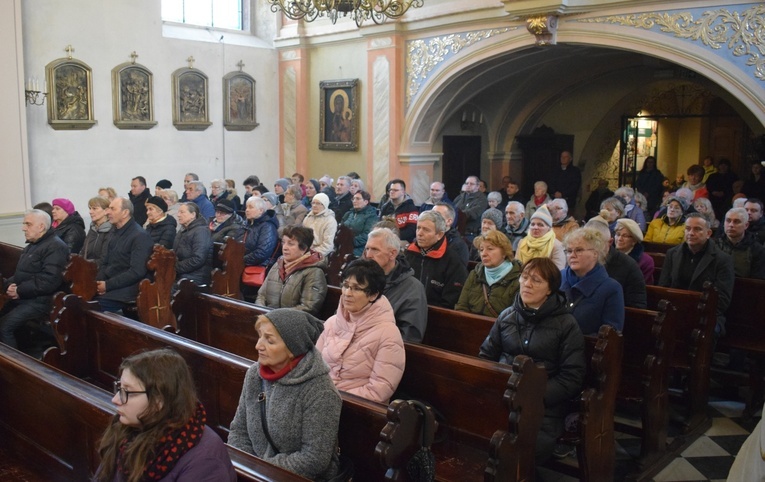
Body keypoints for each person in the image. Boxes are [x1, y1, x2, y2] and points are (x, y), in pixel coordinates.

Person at [479, 257, 585, 464]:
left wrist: (533, 397)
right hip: (501, 398)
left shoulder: (566, 324)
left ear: (549, 289)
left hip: (543, 408)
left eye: (536, 280)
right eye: (525, 277)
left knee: (521, 453)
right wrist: (494, 387)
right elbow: (486, 356)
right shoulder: (507, 316)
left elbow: (572, 376)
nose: (527, 284)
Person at [229, 308, 342, 480]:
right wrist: (246, 470)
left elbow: (313, 460)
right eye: (260, 336)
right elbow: (239, 431)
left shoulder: (321, 391)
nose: (258, 345)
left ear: (293, 349)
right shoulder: (255, 374)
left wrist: (261, 470)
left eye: (270, 341)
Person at [95, 349, 236, 482]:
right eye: (119, 388)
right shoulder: (126, 429)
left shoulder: (206, 461)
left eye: (127, 391)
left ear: (158, 401)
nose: (115, 399)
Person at [316, 259, 405, 404]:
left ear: (373, 295)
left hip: (358, 410)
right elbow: (314, 367)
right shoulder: (332, 323)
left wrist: (332, 399)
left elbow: (379, 390)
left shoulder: (388, 334)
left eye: (356, 288)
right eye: (345, 286)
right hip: (319, 400)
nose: (347, 293)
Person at [0, 210, 69, 350]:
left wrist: (19, 290)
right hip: (27, 296)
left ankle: (15, 367)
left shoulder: (55, 247)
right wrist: (9, 285)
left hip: (41, 301)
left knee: (4, 327)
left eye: (28, 224)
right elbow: (23, 274)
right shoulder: (33, 245)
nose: (23, 228)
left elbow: (49, 281)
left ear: (41, 227)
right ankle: (24, 351)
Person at [659, 213, 734, 336]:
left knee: (703, 332)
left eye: (697, 229)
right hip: (675, 309)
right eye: (688, 228)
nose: (691, 233)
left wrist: (694, 313)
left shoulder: (722, 260)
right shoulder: (672, 254)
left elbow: (722, 300)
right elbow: (663, 287)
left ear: (708, 233)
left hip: (706, 314)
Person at [363, 228, 428, 342]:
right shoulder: (361, 278)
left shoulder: (413, 289)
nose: (368, 255)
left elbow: (409, 337)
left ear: (392, 254)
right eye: (367, 249)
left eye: (375, 250)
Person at [560, 227, 625, 335]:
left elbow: (611, 334)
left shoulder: (611, 288)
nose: (572, 255)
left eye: (579, 250)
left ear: (595, 253)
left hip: (587, 348)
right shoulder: (559, 277)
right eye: (569, 251)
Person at [96, 198, 154, 313]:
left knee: (94, 306)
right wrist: (98, 282)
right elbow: (105, 262)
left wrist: (107, 285)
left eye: (112, 209)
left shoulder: (140, 236)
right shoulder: (114, 231)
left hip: (129, 289)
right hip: (111, 283)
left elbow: (136, 272)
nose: (107, 212)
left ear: (125, 213)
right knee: (78, 298)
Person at [255, 226, 327, 316]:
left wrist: (275, 318)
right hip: (268, 320)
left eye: (291, 244)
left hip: (294, 325)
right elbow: (261, 295)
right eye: (283, 242)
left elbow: (308, 307)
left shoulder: (314, 272)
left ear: (303, 248)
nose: (284, 247)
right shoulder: (278, 264)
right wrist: (261, 312)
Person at [405, 210, 468, 308]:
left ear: (439, 235)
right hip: (406, 309)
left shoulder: (452, 260)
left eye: (426, 230)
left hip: (437, 315)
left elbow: (452, 298)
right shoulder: (408, 254)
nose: (419, 233)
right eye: (418, 228)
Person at [586, 214, 647, 308]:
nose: (591, 249)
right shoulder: (579, 260)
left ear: (609, 242)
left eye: (597, 243)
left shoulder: (629, 265)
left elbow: (637, 306)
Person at [456, 230, 522, 317]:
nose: (483, 254)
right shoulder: (475, 274)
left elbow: (514, 317)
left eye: (490, 249)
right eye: (481, 249)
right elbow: (462, 306)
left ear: (504, 252)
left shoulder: (518, 279)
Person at [715, 207, 765, 279]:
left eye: (736, 221)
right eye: (728, 221)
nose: (731, 225)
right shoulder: (715, 245)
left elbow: (757, 280)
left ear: (746, 225)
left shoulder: (757, 249)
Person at [515, 205, 566, 269]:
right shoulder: (522, 242)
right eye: (533, 224)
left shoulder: (556, 246)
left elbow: (558, 272)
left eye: (540, 225)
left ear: (548, 228)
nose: (535, 227)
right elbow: (516, 267)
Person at [174, 202, 212, 287]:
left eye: (182, 212)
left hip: (195, 275)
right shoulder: (183, 230)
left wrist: (175, 267)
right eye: (178, 212)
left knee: (169, 290)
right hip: (181, 272)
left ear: (193, 214)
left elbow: (198, 259)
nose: (178, 215)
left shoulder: (201, 231)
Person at [615, 218, 655, 285]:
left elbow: (642, 287)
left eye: (625, 236)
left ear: (634, 240)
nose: (619, 239)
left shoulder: (646, 261)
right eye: (618, 234)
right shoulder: (608, 255)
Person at [243, 196, 279, 269]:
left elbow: (262, 252)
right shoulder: (248, 224)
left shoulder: (268, 226)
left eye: (251, 207)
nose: (247, 210)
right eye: (246, 207)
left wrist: (240, 260)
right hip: (243, 263)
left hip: (259, 265)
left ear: (261, 210)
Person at [379, 179, 419, 243]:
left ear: (403, 192)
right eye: (391, 190)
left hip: (404, 241)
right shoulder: (385, 207)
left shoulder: (411, 208)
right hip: (385, 238)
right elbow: (379, 225)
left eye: (395, 190)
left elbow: (412, 231)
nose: (392, 192)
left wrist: (393, 236)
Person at [341, 190, 377, 257]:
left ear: (366, 202)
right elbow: (340, 228)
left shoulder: (371, 215)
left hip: (360, 248)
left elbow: (368, 235)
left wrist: (351, 242)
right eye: (353, 199)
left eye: (357, 199)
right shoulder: (349, 213)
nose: (354, 201)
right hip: (344, 244)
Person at [80, 196, 113, 269]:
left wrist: (85, 264)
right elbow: (83, 251)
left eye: (94, 208)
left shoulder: (111, 230)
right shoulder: (92, 229)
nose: (90, 212)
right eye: (90, 208)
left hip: (101, 273)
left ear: (106, 211)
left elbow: (105, 259)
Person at [453, 175, 489, 241]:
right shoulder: (460, 197)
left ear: (477, 186)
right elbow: (452, 209)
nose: (468, 185)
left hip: (470, 233)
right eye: (467, 183)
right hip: (456, 231)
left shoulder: (482, 199)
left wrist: (458, 213)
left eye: (471, 184)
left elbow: (474, 213)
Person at [302, 192, 337, 258]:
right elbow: (302, 238)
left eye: (318, 203)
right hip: (305, 250)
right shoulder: (308, 217)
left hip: (320, 254)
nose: (314, 205)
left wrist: (311, 254)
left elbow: (327, 245)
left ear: (324, 205)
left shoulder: (330, 221)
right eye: (313, 203)